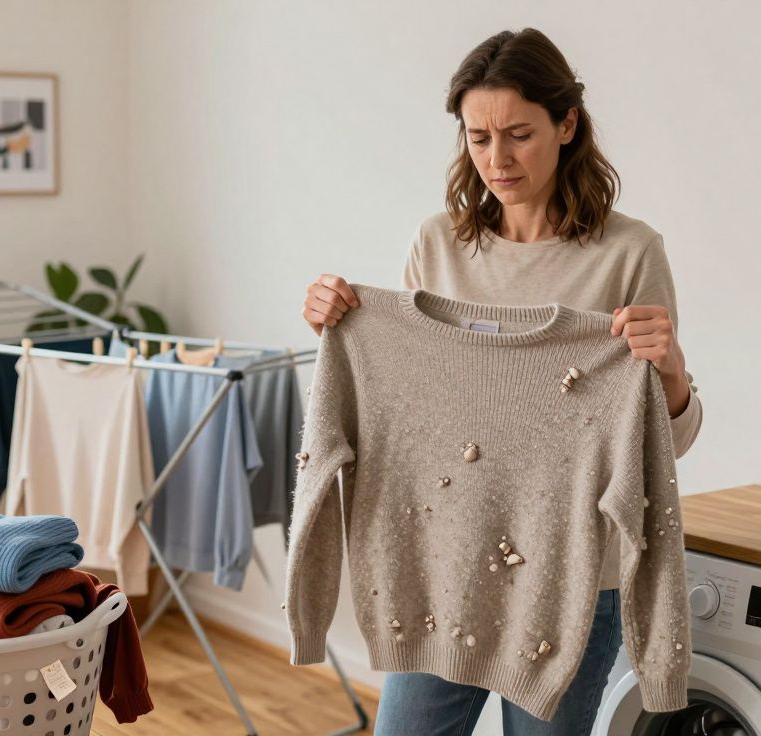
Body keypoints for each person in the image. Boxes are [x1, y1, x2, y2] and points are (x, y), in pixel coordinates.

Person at [300, 28, 703, 736]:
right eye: (478, 137)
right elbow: (423, 408)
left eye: (518, 134)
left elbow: (665, 443)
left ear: (567, 124)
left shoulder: (629, 254)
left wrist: (670, 371)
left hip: (575, 578)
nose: (497, 159)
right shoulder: (438, 244)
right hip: (443, 565)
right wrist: (339, 326)